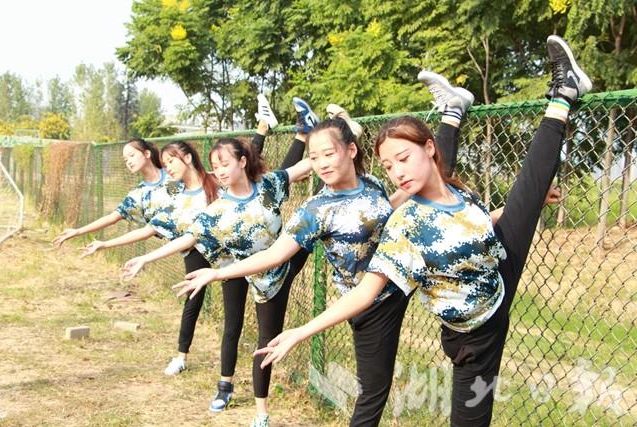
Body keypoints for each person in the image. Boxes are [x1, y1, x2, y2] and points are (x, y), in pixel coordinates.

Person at [249, 35, 591, 427]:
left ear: (429, 149)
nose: (397, 172)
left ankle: (563, 92)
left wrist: (525, 206)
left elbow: (475, 226)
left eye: (403, 158)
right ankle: (476, 109)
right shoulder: (405, 226)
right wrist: (302, 331)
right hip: (473, 336)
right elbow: (365, 291)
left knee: (527, 193)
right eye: (389, 166)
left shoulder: (459, 192)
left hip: (498, 274)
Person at [170, 82, 475, 425]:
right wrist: (217, 273)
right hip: (372, 304)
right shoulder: (316, 210)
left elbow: (384, 211)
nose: (321, 164)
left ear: (351, 150)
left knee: (434, 179)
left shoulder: (372, 183)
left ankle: (452, 112)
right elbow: (275, 255)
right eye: (313, 158)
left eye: (328, 154)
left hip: (403, 274)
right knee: (374, 392)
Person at [81, 95, 279, 377]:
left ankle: (265, 126)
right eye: (166, 163)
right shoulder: (174, 193)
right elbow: (150, 229)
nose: (169, 167)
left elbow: (247, 167)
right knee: (192, 298)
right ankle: (181, 356)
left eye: (171, 161)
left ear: (187, 158)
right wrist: (107, 244)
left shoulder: (217, 180)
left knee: (233, 319)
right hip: (196, 246)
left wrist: (260, 134)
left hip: (229, 252)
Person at [52, 138, 168, 247]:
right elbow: (112, 218)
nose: (129, 162)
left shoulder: (172, 173)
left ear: (147, 154)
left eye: (132, 155)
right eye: (126, 160)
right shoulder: (138, 194)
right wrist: (78, 231)